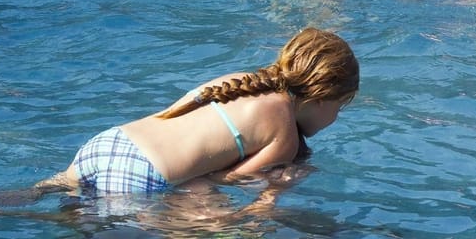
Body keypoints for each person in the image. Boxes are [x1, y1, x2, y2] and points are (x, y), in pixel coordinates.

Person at [41, 27, 360, 198]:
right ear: (321, 97)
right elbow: (226, 179)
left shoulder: (241, 81)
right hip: (141, 175)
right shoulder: (285, 135)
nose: (336, 118)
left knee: (36, 204)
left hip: (107, 144)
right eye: (339, 107)